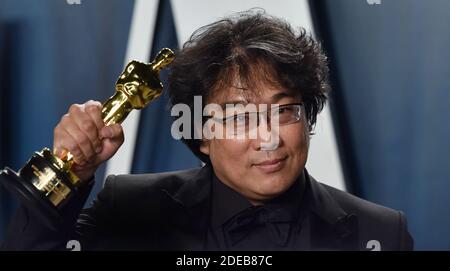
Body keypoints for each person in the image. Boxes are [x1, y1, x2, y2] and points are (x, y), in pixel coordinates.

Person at [2, 10, 413, 251]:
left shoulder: (378, 233)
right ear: (200, 133)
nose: (267, 138)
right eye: (238, 117)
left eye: (284, 111)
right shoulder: (128, 209)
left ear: (308, 117)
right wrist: (70, 172)